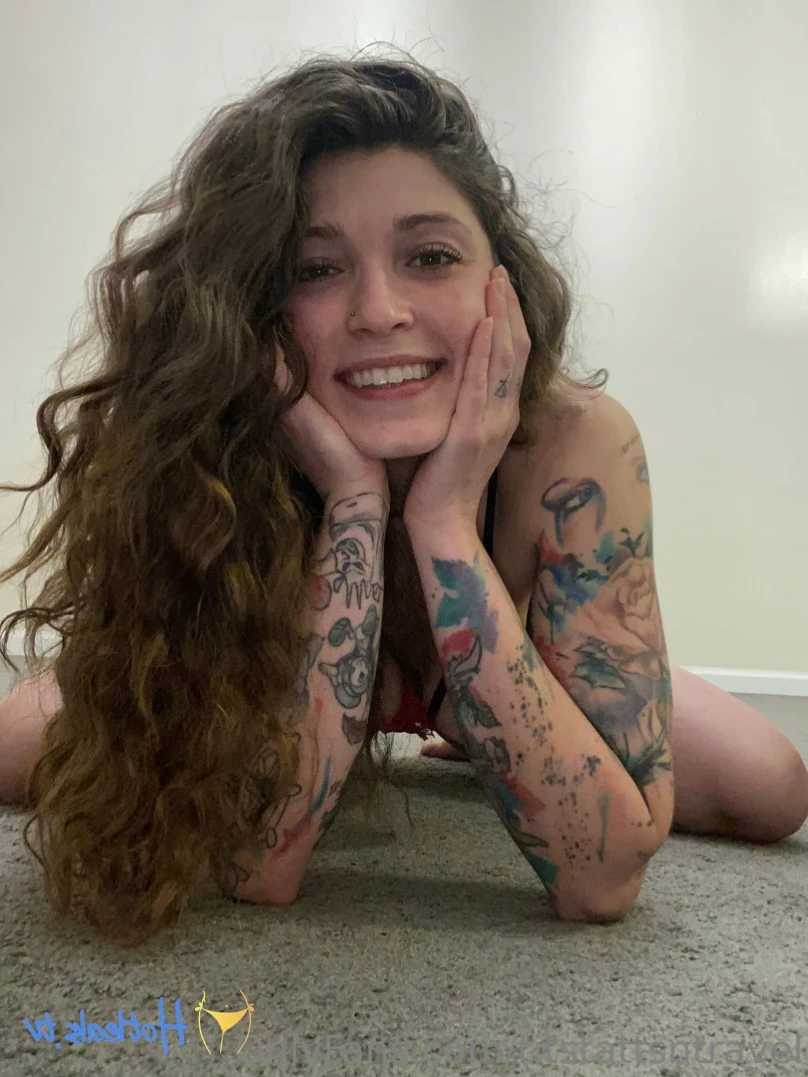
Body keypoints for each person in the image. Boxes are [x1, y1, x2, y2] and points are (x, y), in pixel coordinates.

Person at [1, 46, 806, 949]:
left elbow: (604, 877)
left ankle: (475, 720)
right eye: (315, 269)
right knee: (23, 753)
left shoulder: (577, 444)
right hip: (270, 681)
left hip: (508, 660)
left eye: (430, 255)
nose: (379, 310)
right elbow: (258, 864)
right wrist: (351, 497)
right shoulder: (209, 449)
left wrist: (443, 519)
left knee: (772, 787)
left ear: (501, 282)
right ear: (251, 306)